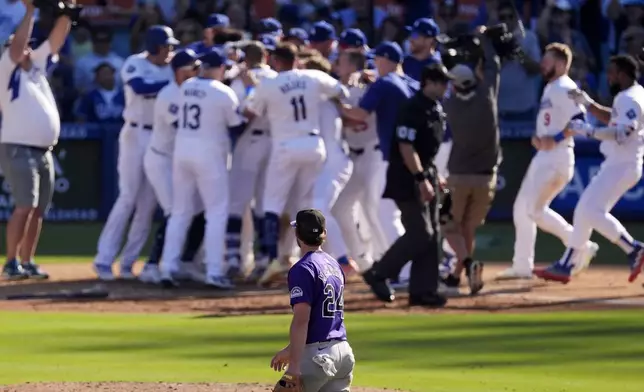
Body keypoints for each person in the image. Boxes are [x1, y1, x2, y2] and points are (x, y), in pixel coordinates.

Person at [241, 43, 347, 286]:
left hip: (286, 147)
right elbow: (341, 91)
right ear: (296, 59)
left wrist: (250, 87)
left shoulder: (269, 84)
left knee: (272, 205)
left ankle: (272, 260)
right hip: (314, 146)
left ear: (276, 61)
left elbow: (249, 112)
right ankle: (309, 259)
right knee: (306, 206)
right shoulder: (312, 76)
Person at [535, 55, 644, 284]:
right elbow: (615, 119)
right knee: (585, 210)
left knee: (590, 211)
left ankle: (634, 248)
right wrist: (589, 105)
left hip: (621, 164)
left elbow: (622, 133)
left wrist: (587, 130)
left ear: (623, 74)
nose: (609, 76)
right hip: (620, 164)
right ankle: (567, 264)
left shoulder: (629, 99)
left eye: (612, 72)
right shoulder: (632, 95)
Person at [498, 43, 599, 280]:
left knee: (534, 210)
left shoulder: (565, 86)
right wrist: (541, 137)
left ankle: (580, 244)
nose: (543, 63)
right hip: (545, 156)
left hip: (557, 156)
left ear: (562, 65)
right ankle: (522, 265)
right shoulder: (551, 87)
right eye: (543, 58)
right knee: (521, 209)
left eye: (548, 59)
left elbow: (580, 120)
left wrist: (554, 138)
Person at [362, 64, 452, 308]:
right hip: (407, 177)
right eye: (442, 82)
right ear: (429, 82)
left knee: (432, 235)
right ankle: (378, 273)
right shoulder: (412, 108)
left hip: (427, 173)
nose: (446, 87)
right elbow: (405, 146)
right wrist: (421, 178)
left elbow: (427, 150)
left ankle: (424, 290)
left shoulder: (435, 108)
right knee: (420, 232)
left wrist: (434, 176)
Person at [93, 26, 176, 281]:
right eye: (166, 46)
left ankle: (128, 262)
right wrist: (174, 82)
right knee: (127, 196)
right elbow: (139, 87)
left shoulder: (172, 67)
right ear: (154, 46)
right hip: (135, 134)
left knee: (147, 206)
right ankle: (104, 260)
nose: (169, 51)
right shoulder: (134, 62)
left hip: (160, 137)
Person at [159, 47, 242, 289]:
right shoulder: (223, 92)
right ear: (216, 68)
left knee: (180, 211)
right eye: (223, 67)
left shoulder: (187, 86)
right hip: (210, 154)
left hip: (182, 151)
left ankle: (168, 266)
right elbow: (236, 127)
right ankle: (214, 271)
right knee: (216, 212)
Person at [0, 0, 70, 280]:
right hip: (17, 145)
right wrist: (30, 11)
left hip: (43, 149)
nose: (26, 47)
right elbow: (16, 50)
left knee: (38, 210)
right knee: (24, 206)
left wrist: (68, 14)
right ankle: (11, 261)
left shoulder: (36, 67)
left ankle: (28, 261)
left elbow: (55, 41)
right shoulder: (5, 68)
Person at [340, 41, 416, 272]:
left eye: (377, 60)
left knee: (384, 212)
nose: (374, 64)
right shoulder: (412, 83)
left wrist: (336, 102)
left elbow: (360, 114)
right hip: (413, 153)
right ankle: (398, 267)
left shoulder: (383, 83)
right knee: (389, 212)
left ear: (385, 60)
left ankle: (404, 271)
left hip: (389, 155)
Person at [440, 26, 500, 295]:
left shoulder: (451, 105)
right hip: (487, 176)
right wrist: (484, 39)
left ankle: (467, 263)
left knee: (449, 226)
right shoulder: (487, 96)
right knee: (468, 229)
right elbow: (493, 65)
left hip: (458, 176)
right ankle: (456, 276)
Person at [270, 209, 355, 392]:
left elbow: (302, 320)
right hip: (343, 352)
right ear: (324, 233)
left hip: (319, 356)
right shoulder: (335, 265)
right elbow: (323, 318)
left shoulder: (303, 269)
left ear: (297, 234)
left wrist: (294, 366)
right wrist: (290, 349)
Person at [139, 48, 201, 284]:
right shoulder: (169, 94)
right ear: (179, 72)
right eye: (192, 69)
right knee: (174, 211)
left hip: (178, 160)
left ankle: (185, 261)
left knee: (198, 210)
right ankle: (152, 265)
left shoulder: (193, 92)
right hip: (161, 159)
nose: (196, 72)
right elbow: (184, 128)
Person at [225, 41, 277, 282]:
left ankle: (234, 258)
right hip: (274, 142)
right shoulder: (276, 78)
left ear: (245, 58)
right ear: (266, 56)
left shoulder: (239, 80)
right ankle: (265, 259)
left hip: (248, 141)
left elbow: (239, 115)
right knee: (264, 204)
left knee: (237, 202)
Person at [303, 56, 357, 276]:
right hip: (329, 161)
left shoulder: (322, 101)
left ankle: (344, 260)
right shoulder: (324, 100)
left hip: (334, 162)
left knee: (319, 208)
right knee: (315, 207)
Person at [332, 50, 380, 274]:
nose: (336, 65)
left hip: (373, 152)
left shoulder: (370, 87)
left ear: (352, 65)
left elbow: (357, 117)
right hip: (352, 155)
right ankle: (362, 259)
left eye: (340, 61)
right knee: (340, 207)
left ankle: (384, 258)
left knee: (375, 207)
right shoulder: (339, 89)